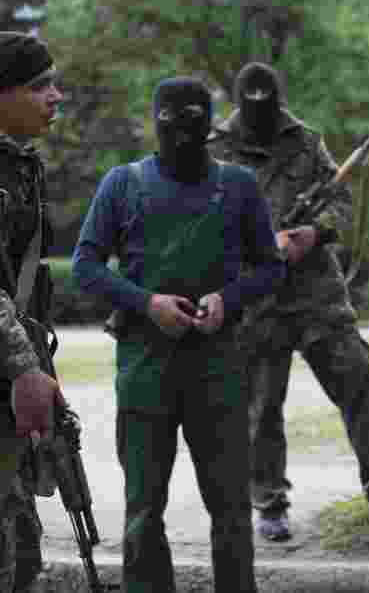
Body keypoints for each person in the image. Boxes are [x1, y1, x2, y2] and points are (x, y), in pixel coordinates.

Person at [72, 76, 286, 593]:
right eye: (173, 126)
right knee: (144, 513)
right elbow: (85, 265)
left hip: (219, 370)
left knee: (232, 513)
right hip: (146, 370)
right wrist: (147, 304)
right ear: (156, 123)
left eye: (194, 125)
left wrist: (225, 301)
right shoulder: (122, 184)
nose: (183, 139)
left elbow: (270, 267)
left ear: (209, 127)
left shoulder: (237, 186)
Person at [208, 61, 369, 542]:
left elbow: (339, 200)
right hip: (256, 301)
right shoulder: (215, 151)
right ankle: (269, 502)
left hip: (316, 295)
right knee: (261, 408)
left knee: (358, 383)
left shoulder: (306, 141)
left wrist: (312, 234)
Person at [0, 32, 67, 592]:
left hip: (12, 377)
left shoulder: (22, 165)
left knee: (21, 543)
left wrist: (37, 364)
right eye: (40, 85)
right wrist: (24, 365)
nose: (56, 96)